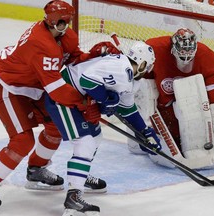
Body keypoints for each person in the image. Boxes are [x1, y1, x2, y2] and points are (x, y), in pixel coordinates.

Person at [0, 0, 120, 213]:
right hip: (9, 88)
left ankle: (37, 169)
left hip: (34, 85)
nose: (65, 27)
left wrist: (93, 55)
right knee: (22, 141)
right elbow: (58, 90)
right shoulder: (41, 43)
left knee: (56, 127)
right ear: (49, 22)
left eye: (67, 22)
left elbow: (73, 60)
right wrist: (87, 102)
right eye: (60, 23)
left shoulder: (64, 36)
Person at [45, 41, 160, 215]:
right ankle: (74, 196)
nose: (148, 70)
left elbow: (127, 108)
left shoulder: (130, 77)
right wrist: (106, 99)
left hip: (77, 99)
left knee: (96, 137)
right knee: (86, 142)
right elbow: (87, 82)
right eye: (148, 66)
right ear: (143, 63)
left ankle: (80, 178)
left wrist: (144, 132)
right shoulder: (121, 69)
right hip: (63, 95)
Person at [127, 28, 214, 168]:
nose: (185, 60)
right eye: (181, 54)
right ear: (172, 48)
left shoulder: (206, 56)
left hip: (187, 106)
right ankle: (138, 140)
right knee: (141, 93)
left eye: (190, 54)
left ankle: (193, 149)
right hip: (160, 105)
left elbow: (213, 91)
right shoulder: (155, 49)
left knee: (186, 142)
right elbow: (140, 82)